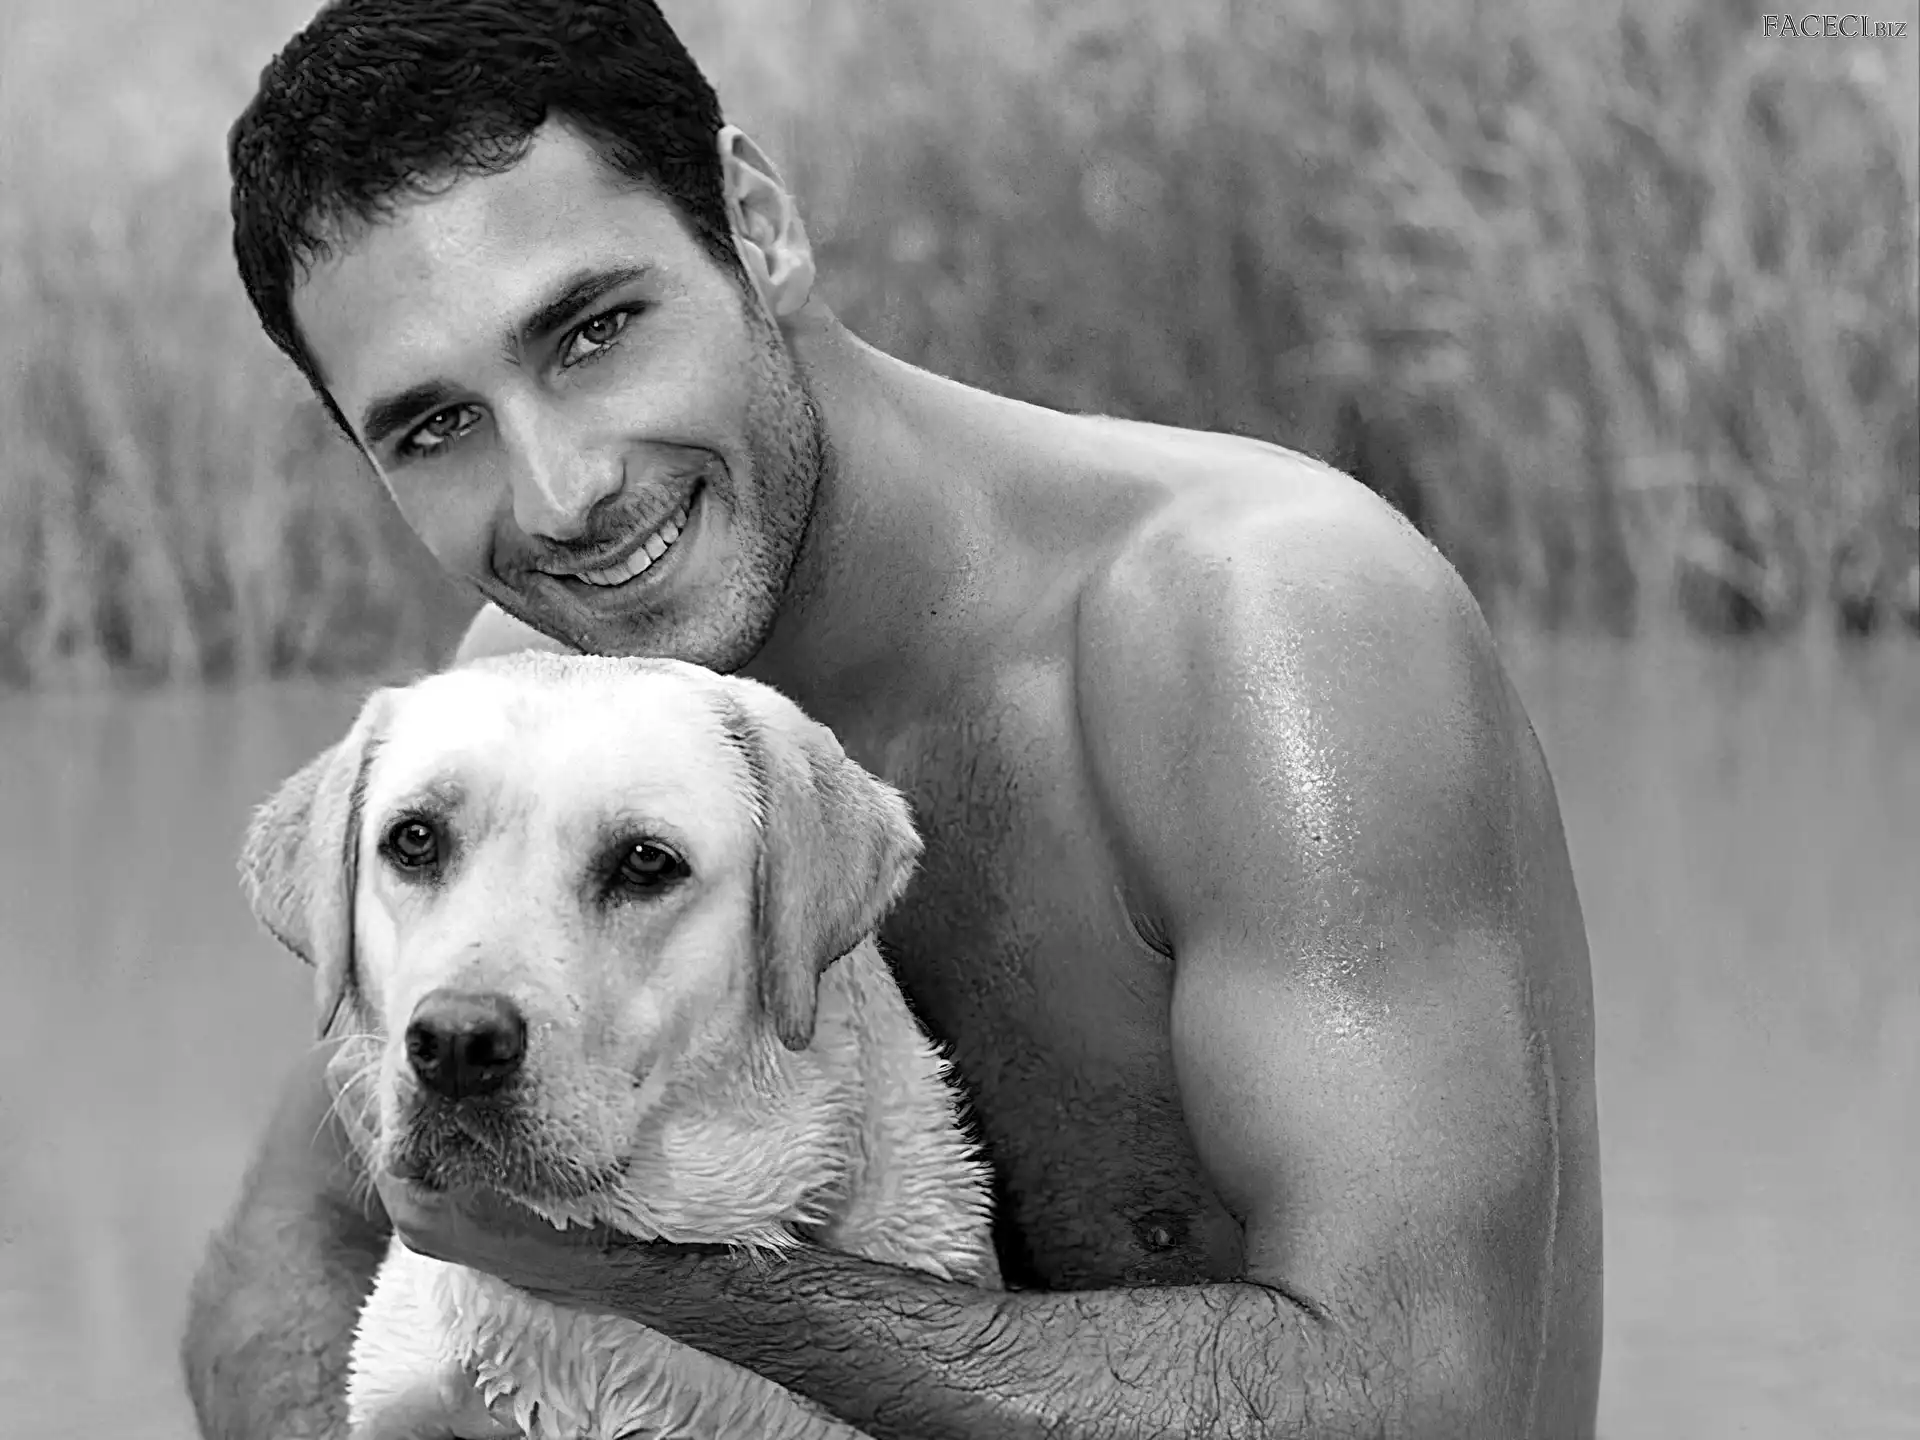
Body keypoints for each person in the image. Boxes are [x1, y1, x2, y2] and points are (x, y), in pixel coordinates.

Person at [183, 2, 1604, 1436]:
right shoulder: (541, 697)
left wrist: (642, 1271)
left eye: (594, 332)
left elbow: (1414, 1393)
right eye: (436, 428)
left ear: (756, 225)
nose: (561, 493)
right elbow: (288, 1255)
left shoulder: (1265, 629)